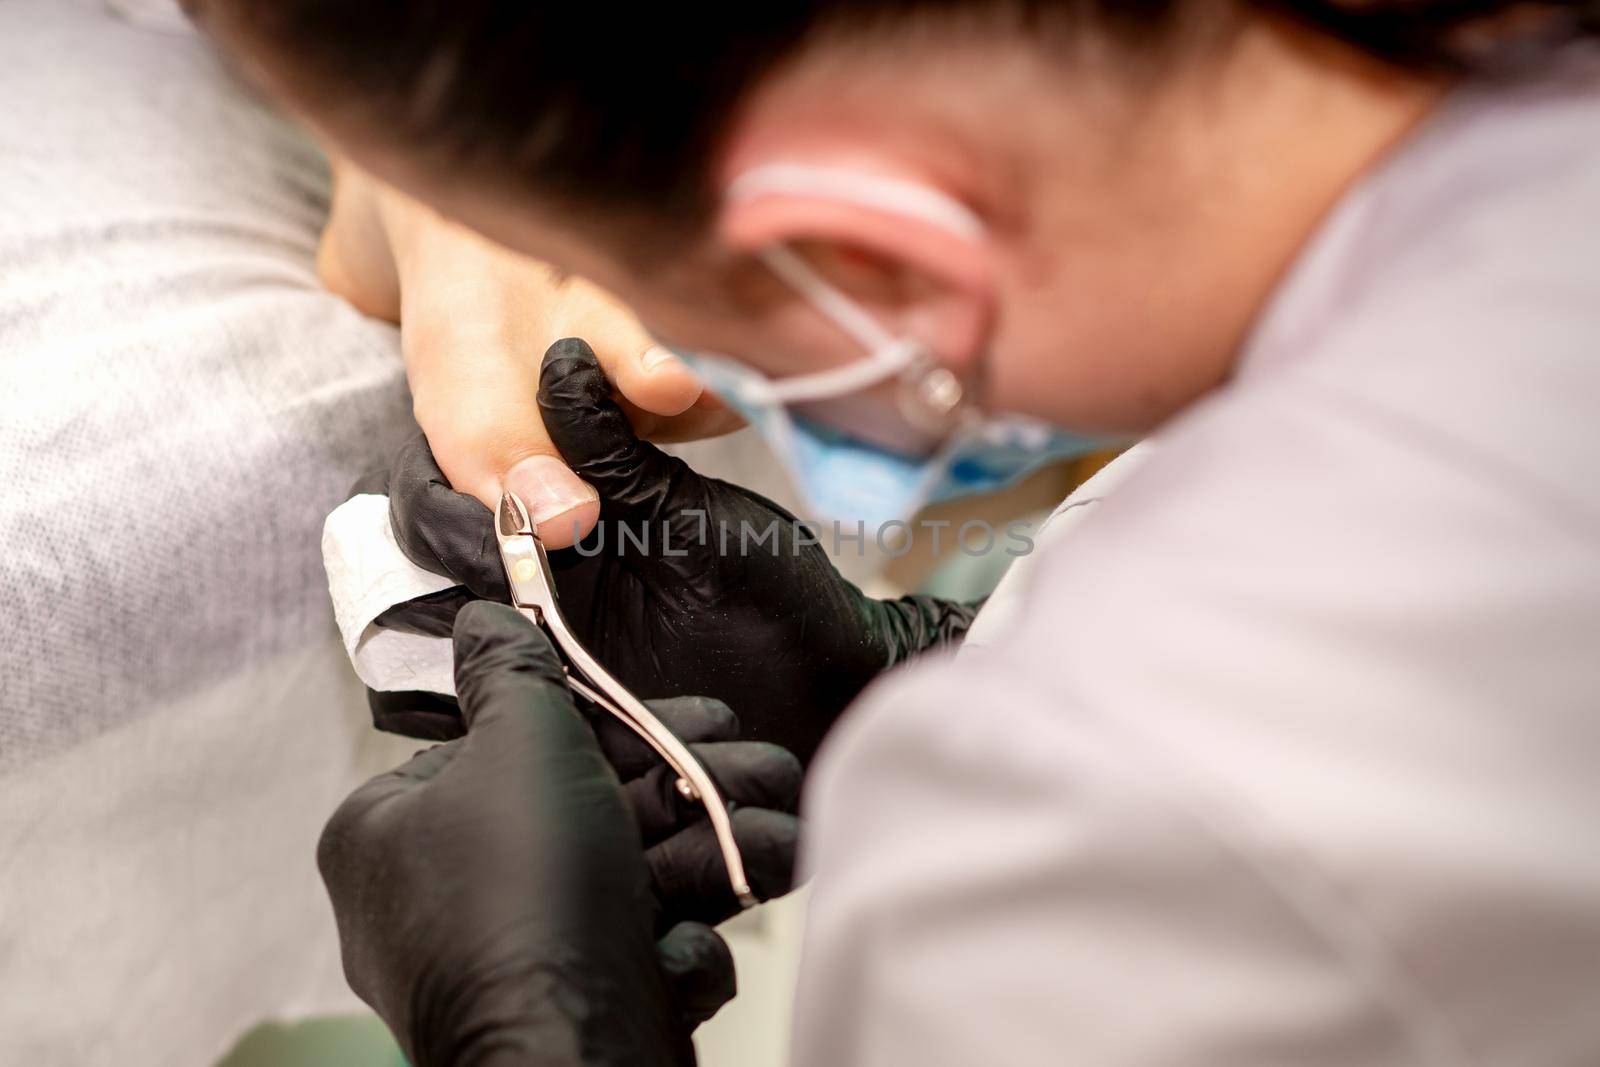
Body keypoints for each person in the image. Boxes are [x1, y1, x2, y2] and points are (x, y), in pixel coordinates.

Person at [189, 2, 1600, 1065]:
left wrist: (529, 1031)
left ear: (868, 255)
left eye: (675, 312)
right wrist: (937, 659)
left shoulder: (1123, 827)